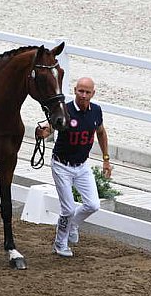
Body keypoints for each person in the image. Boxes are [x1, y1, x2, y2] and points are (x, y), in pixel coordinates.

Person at [36, 77, 113, 257]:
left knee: (93, 205)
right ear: (75, 90)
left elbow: (101, 133)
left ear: (93, 93)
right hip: (62, 165)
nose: (83, 95)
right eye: (80, 91)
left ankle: (73, 224)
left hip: (82, 165)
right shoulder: (66, 110)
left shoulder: (96, 111)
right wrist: (42, 132)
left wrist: (106, 159)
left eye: (87, 92)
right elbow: (50, 127)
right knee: (68, 208)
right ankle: (60, 243)